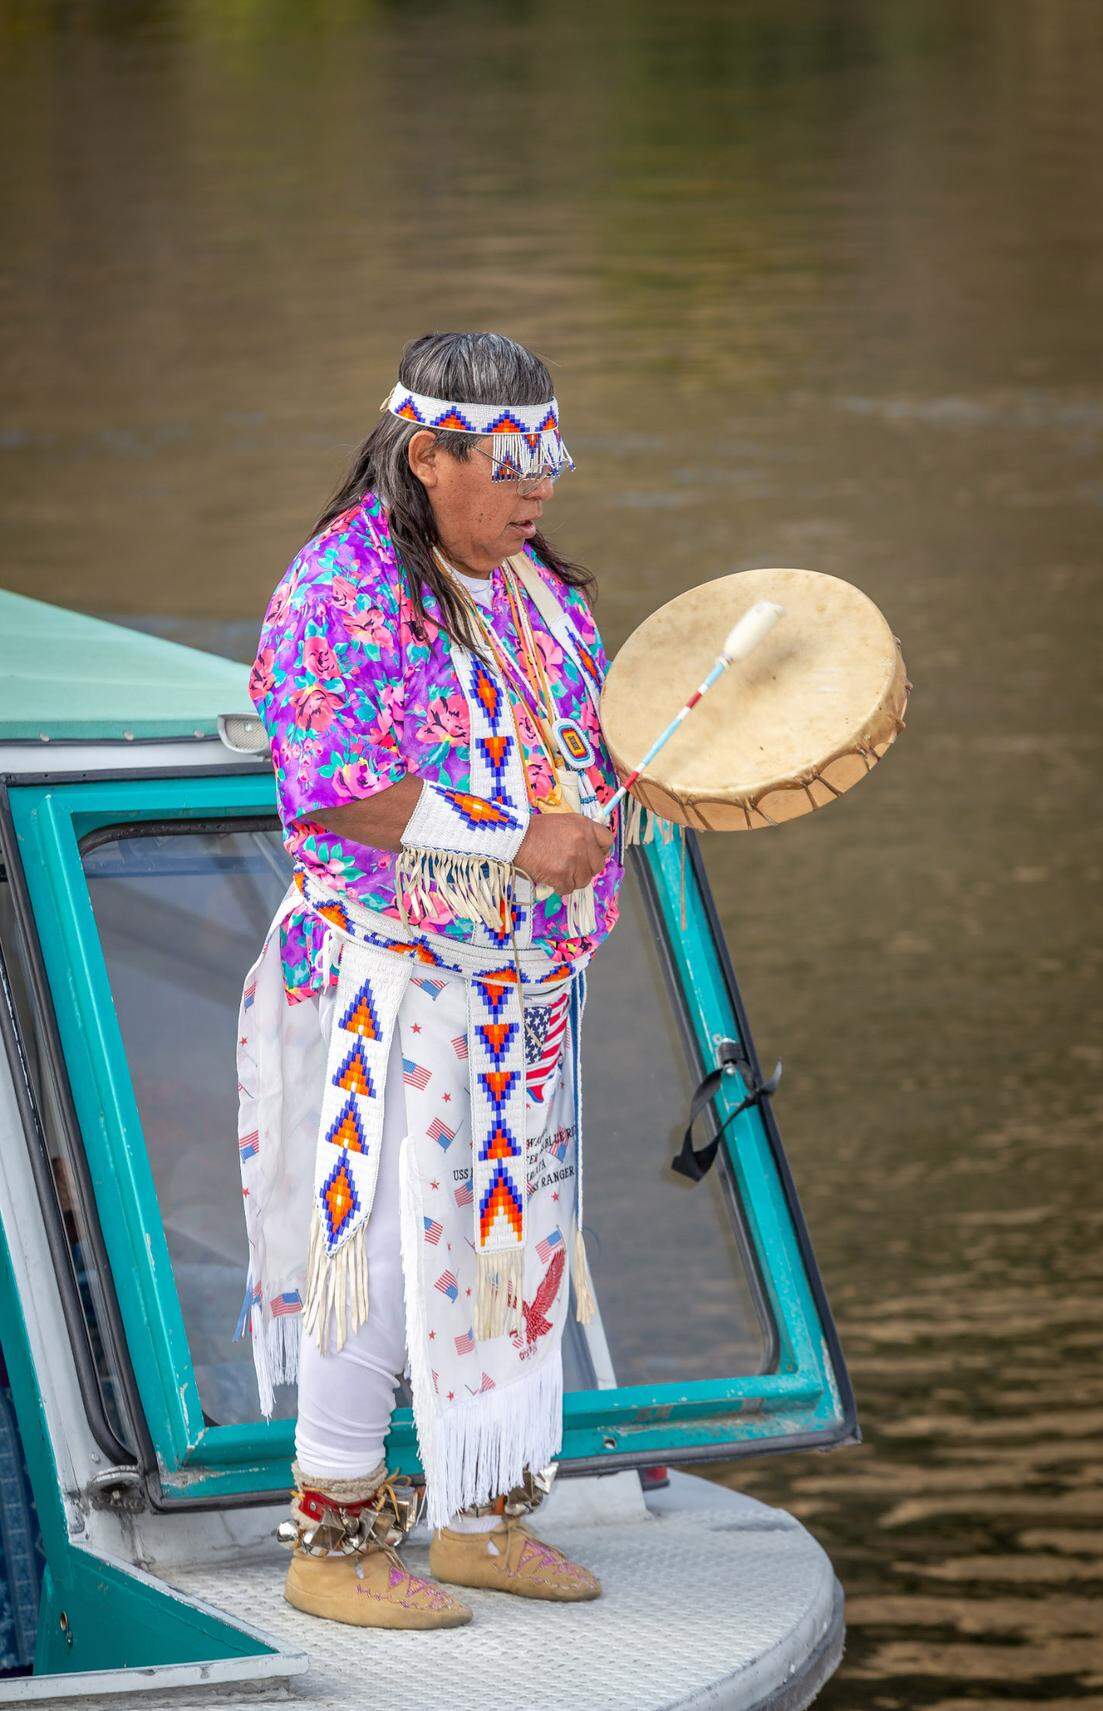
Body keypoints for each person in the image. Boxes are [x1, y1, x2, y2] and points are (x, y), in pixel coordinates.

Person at [235, 331, 640, 1629]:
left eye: (550, 463)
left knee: (509, 1246)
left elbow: (576, 747)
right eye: (509, 467)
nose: (537, 492)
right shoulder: (341, 585)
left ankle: (483, 1516)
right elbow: (330, 784)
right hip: (388, 980)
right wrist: (517, 839)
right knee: (371, 1257)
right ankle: (334, 1541)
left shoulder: (537, 586)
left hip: (520, 987)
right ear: (427, 455)